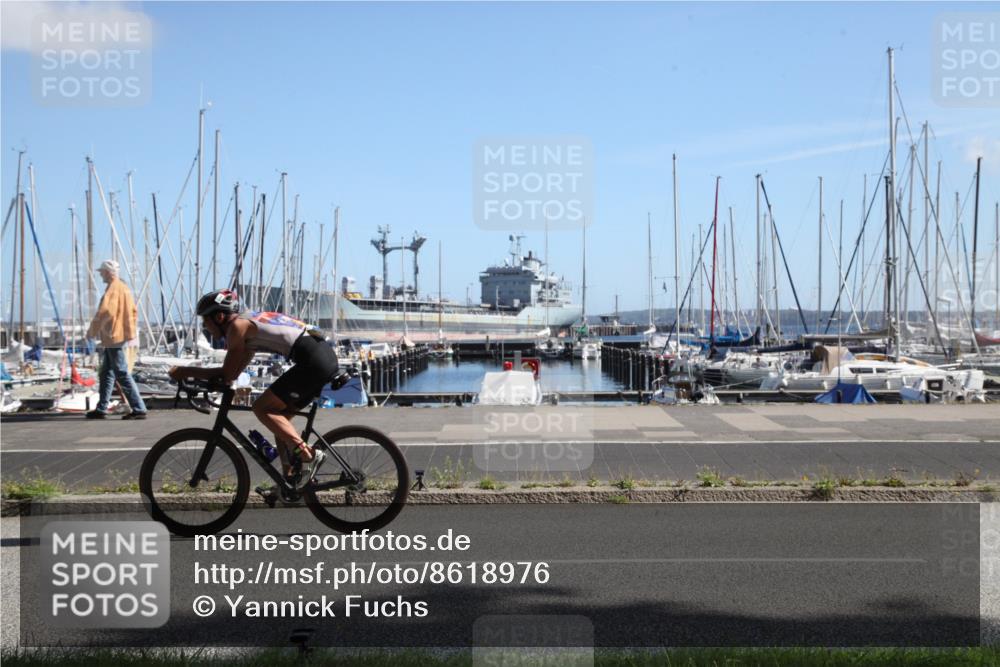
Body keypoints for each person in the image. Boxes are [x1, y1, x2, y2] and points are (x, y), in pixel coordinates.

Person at [168, 290, 336, 488]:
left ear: (219, 317)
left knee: (262, 408)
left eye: (206, 321)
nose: (205, 327)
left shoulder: (237, 328)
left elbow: (227, 372)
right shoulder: (247, 326)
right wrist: (216, 380)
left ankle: (307, 455)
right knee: (279, 422)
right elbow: (232, 375)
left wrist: (186, 371)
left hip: (313, 360)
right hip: (321, 356)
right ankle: (291, 479)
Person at [86, 259, 148, 420]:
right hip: (119, 335)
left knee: (120, 372)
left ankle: (139, 408)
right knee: (106, 372)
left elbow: (105, 311)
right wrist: (129, 330)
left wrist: (92, 331)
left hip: (114, 336)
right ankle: (101, 408)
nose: (101, 275)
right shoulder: (123, 287)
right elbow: (134, 311)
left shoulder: (113, 288)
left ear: (108, 272)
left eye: (102, 272)